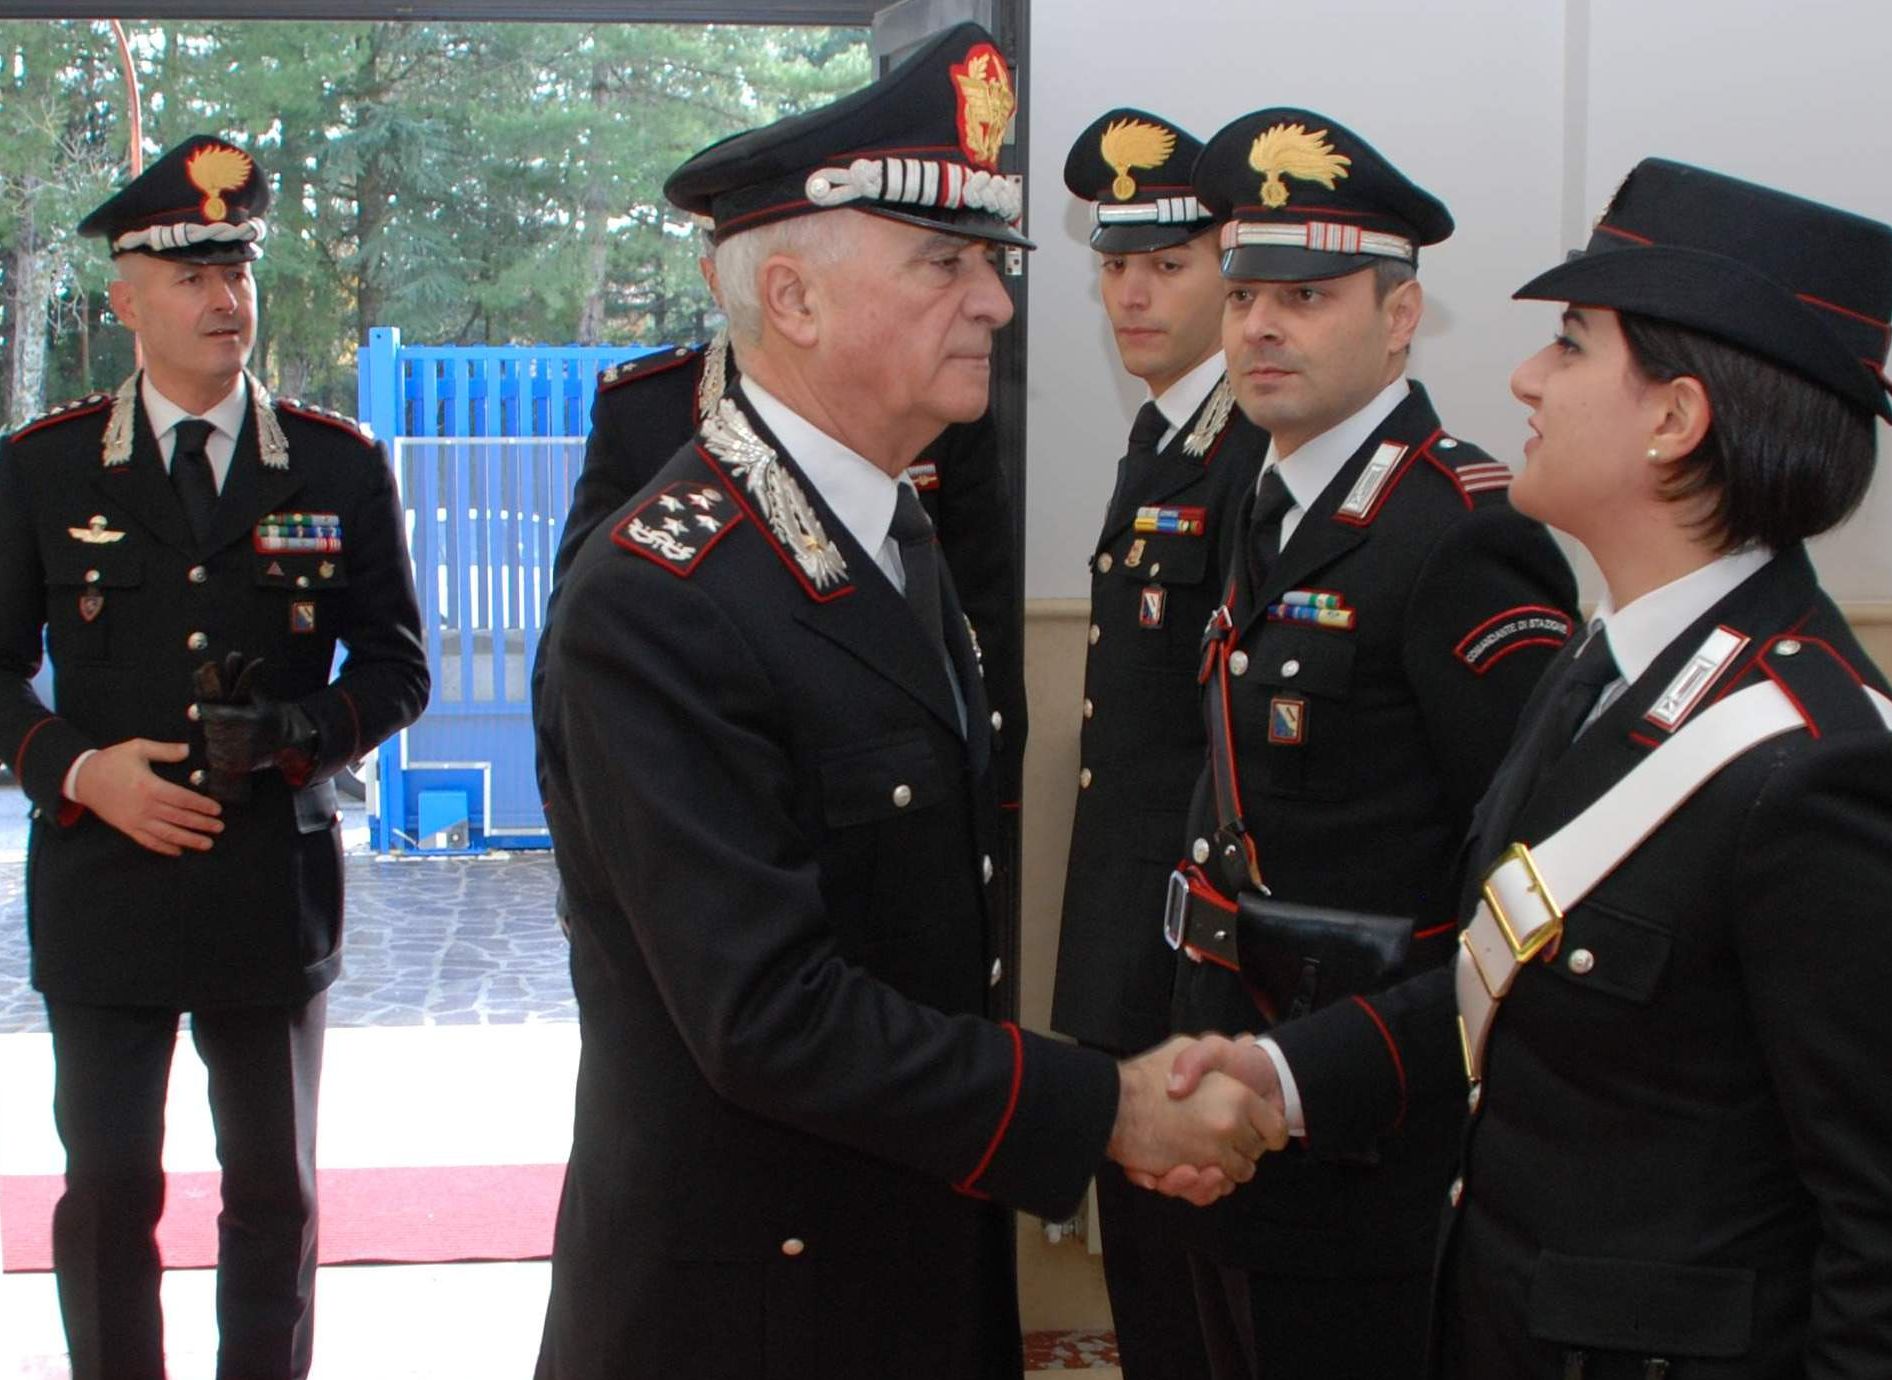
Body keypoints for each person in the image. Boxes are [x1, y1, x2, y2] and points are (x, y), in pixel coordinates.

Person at [530, 26, 1281, 1380]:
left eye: (988, 264)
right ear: (793, 299)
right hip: (752, 1306)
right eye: (945, 263)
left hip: (911, 1249)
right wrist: (1103, 1108)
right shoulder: (663, 597)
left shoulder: (888, 535)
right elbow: (771, 1015)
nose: (995, 302)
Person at [1165, 156, 1892, 1379]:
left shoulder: (1814, 765)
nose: (1522, 378)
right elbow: (1507, 978)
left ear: (1673, 418)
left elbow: (1874, 1228)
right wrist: (1283, 1073)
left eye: (1568, 344)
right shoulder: (1600, 672)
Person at [1158, 108, 1578, 1380]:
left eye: (1306, 295)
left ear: (1399, 317)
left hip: (1364, 1115)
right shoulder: (1262, 493)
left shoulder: (1455, 530)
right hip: (1235, 1067)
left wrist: (1338, 1071)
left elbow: (1519, 867)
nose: (1258, 327)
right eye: (1241, 296)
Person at [0, 135, 429, 1380]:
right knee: (109, 1192)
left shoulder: (334, 464)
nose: (222, 296)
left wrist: (303, 735)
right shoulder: (46, 467)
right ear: (123, 297)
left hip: (264, 885)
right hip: (105, 887)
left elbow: (399, 669)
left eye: (235, 265)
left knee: (274, 1194)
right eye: (188, 273)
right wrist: (79, 773)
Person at [545, 251, 1028, 914]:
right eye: (943, 264)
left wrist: (994, 798)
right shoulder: (649, 420)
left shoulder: (924, 432)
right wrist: (586, 857)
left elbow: (982, 622)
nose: (995, 303)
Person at [1050, 106, 1267, 1380]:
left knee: (1199, 1311)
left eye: (1165, 267)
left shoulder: (1248, 454)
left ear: (1230, 268)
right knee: (1156, 1300)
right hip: (1129, 945)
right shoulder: (1164, 441)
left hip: (1188, 964)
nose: (1128, 295)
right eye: (1112, 268)